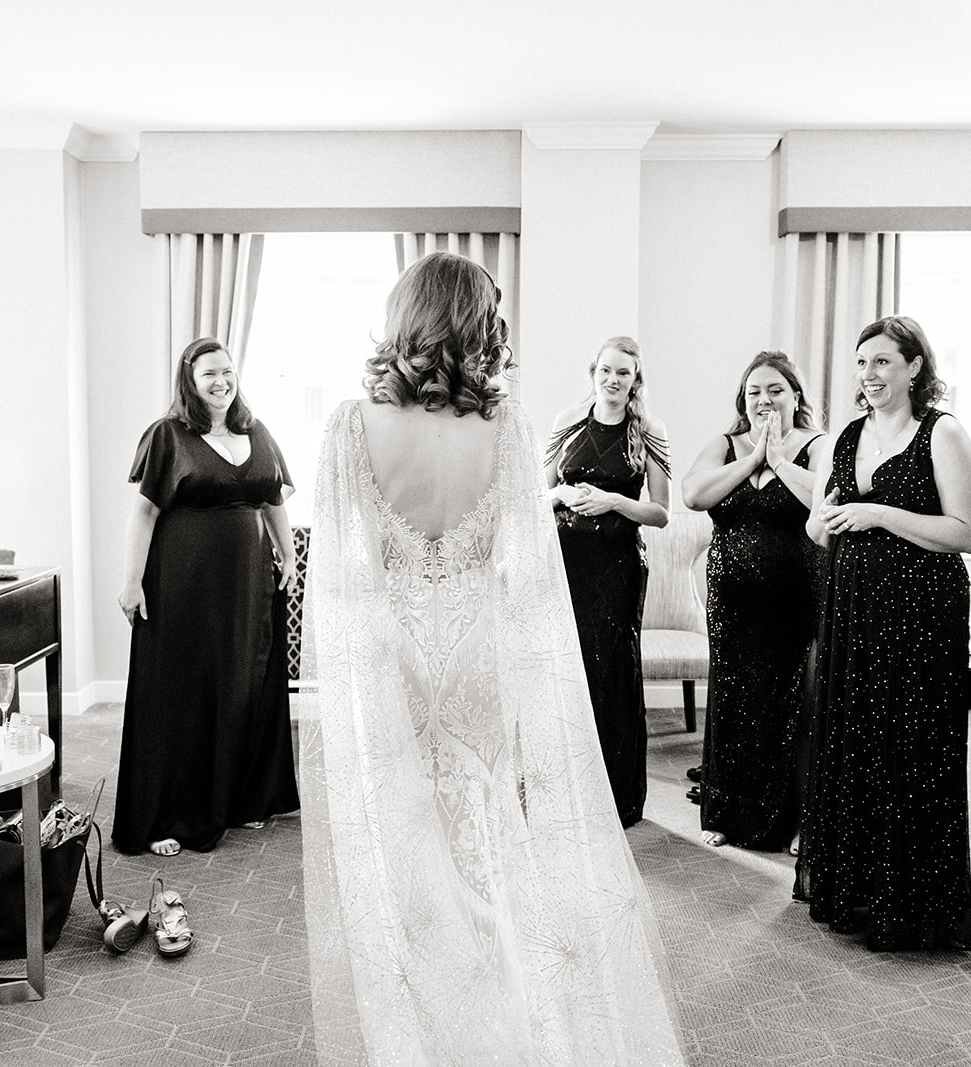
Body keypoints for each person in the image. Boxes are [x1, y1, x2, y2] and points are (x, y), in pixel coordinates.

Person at [299, 252, 684, 1064]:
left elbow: (337, 587)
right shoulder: (503, 430)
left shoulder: (348, 428)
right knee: (485, 841)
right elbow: (527, 578)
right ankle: (502, 1021)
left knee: (399, 850)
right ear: (475, 323)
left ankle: (427, 1035)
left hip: (394, 660)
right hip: (477, 658)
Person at [796, 314, 971, 952]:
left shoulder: (943, 432)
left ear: (913, 367)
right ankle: (855, 892)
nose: (869, 375)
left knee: (910, 747)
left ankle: (914, 906)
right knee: (856, 743)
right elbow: (817, 530)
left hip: (921, 617)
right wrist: (824, 518)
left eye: (882, 361)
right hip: (852, 612)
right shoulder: (847, 437)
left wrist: (879, 512)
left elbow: (966, 531)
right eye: (861, 363)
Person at [113, 336, 299, 856]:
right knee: (183, 694)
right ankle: (172, 813)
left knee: (243, 686)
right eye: (208, 375)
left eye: (227, 371)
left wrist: (288, 558)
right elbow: (144, 512)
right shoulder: (167, 435)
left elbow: (271, 502)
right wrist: (132, 581)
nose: (221, 381)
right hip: (183, 584)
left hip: (247, 586)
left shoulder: (255, 431)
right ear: (189, 384)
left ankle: (240, 801)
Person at [682, 351, 827, 851]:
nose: (763, 400)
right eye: (754, 392)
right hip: (732, 600)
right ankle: (726, 813)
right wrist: (752, 459)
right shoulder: (725, 445)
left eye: (775, 390)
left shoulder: (818, 445)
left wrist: (781, 460)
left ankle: (795, 821)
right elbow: (693, 495)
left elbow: (825, 501)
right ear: (743, 401)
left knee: (793, 704)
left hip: (796, 597)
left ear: (795, 396)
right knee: (734, 699)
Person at [544, 336, 671, 828]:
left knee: (612, 670)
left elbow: (659, 513)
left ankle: (615, 797)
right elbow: (541, 491)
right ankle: (565, 791)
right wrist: (564, 495)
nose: (613, 380)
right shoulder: (566, 425)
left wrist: (614, 501)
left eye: (624, 373)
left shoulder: (649, 430)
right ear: (593, 372)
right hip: (567, 561)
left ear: (635, 380)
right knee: (567, 670)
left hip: (618, 567)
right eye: (606, 370)